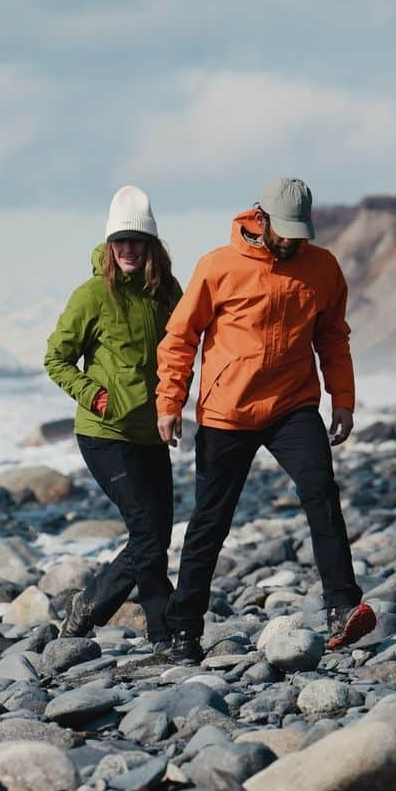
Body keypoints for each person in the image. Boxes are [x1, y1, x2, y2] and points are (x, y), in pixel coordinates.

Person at [156, 177, 376, 664]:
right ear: (262, 219)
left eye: (302, 232)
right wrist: (169, 402)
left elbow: (333, 336)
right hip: (227, 410)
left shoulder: (322, 268)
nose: (294, 241)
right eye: (287, 231)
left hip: (292, 405)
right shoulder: (218, 266)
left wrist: (343, 399)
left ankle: (342, 608)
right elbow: (180, 337)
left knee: (321, 493)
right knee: (211, 522)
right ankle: (182, 632)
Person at [44, 185, 183, 651]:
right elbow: (55, 359)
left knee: (157, 534)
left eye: (136, 241)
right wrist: (94, 395)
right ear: (109, 245)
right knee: (147, 531)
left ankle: (89, 604)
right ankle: (162, 633)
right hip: (104, 434)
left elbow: (183, 346)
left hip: (151, 433)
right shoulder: (91, 297)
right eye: (120, 241)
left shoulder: (166, 293)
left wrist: (175, 403)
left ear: (151, 246)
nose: (128, 249)